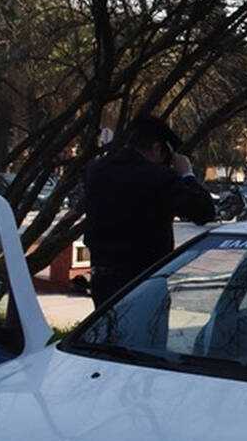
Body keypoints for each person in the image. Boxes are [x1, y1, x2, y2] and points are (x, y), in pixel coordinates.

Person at [84, 115, 216, 307]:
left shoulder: (96, 170)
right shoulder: (159, 177)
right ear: (156, 148)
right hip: (144, 281)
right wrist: (187, 174)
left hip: (103, 281)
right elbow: (204, 212)